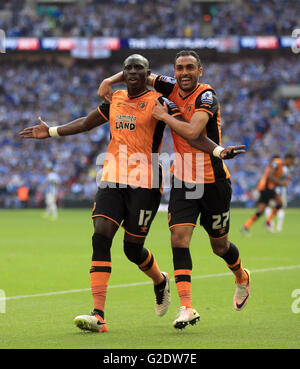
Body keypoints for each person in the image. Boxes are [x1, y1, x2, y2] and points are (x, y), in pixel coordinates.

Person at [19, 54, 241, 333]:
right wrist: (51, 131)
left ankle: (160, 280)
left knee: (132, 249)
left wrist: (219, 150)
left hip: (146, 184)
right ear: (123, 74)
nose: (133, 72)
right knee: (100, 236)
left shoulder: (162, 103)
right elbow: (87, 123)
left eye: (139, 68)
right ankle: (98, 315)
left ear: (148, 74)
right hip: (112, 179)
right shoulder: (116, 99)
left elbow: (191, 135)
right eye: (128, 69)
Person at [98, 50, 250, 329]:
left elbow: (193, 133)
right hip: (182, 180)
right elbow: (136, 73)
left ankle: (241, 276)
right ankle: (187, 307)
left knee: (220, 246)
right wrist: (109, 79)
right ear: (174, 71)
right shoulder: (169, 87)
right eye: (180, 68)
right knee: (179, 240)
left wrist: (164, 117)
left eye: (190, 67)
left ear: (199, 71)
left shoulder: (207, 97)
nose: (184, 73)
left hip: (214, 181)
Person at [242, 153, 294, 234]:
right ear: (288, 159)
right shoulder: (277, 162)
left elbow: (274, 180)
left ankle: (246, 226)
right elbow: (270, 176)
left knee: (261, 210)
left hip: (266, 188)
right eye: (291, 162)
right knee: (280, 203)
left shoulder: (281, 169)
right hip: (266, 188)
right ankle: (268, 222)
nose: (292, 164)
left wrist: (284, 181)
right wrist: (281, 183)